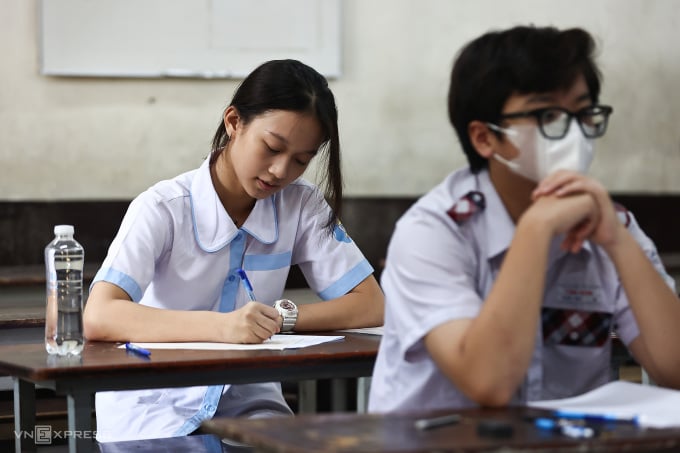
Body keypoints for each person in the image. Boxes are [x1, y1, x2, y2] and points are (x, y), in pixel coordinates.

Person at [368, 25, 680, 414]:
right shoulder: (433, 231)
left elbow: (674, 368)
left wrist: (617, 241)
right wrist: (535, 228)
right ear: (485, 138)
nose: (573, 134)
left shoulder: (608, 224)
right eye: (547, 114)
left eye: (584, 113)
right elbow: (489, 382)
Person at [83, 59, 384, 442]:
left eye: (301, 160)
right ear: (233, 123)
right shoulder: (163, 208)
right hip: (154, 408)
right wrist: (222, 327)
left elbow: (371, 304)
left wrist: (280, 318)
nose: (280, 171)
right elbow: (100, 314)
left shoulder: (301, 205)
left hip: (251, 408)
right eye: (272, 147)